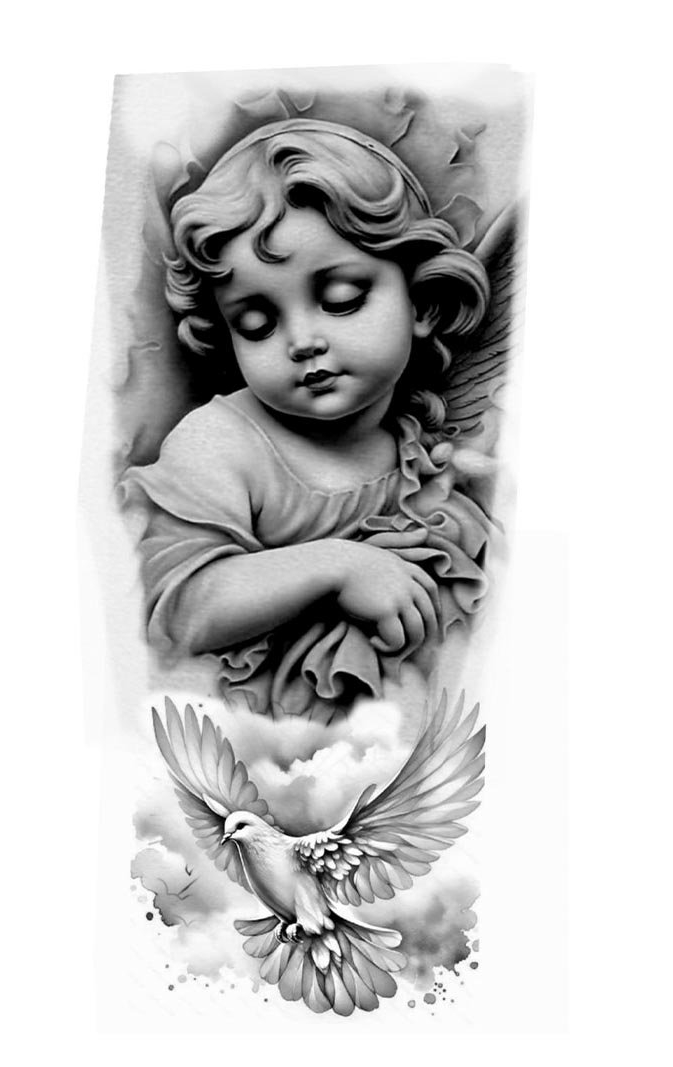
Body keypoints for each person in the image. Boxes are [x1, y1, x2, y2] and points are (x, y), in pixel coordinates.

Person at [121, 119, 499, 722]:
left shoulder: (405, 440)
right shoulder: (219, 443)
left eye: (341, 299)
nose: (301, 340)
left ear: (422, 303)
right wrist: (336, 565)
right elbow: (178, 610)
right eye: (257, 324)